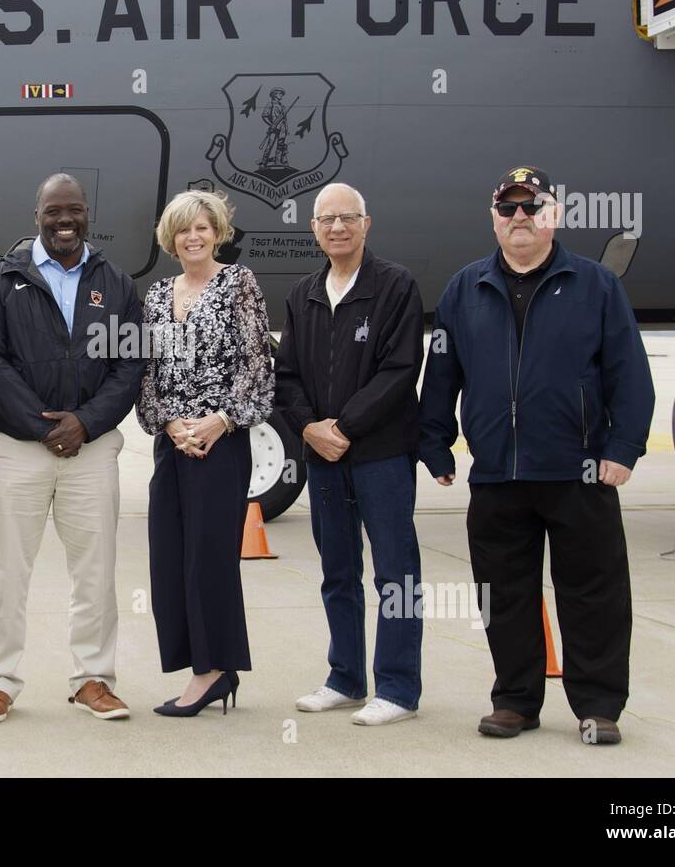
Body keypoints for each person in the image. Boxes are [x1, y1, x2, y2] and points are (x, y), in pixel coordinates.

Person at [419, 166, 654, 745]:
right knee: (502, 594)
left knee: (592, 591)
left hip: (580, 469)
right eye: (508, 209)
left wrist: (622, 448)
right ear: (493, 218)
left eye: (532, 207)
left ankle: (598, 706)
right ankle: (516, 700)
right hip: (498, 472)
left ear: (554, 215)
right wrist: (435, 442)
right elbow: (442, 372)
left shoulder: (596, 285)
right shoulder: (464, 287)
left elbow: (630, 374)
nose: (519, 218)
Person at [0, 173, 145, 722]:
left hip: (90, 451)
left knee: (95, 572)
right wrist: (42, 426)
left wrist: (86, 424)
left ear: (88, 214)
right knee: (6, 573)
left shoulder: (115, 282)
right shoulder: (3, 280)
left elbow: (129, 365)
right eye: (53, 212)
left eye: (74, 211)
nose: (64, 221)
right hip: (19, 449)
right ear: (36, 216)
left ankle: (93, 679)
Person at [275, 183, 425, 726]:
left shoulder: (395, 286)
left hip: (381, 454)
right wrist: (309, 428)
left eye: (348, 218)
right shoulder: (303, 295)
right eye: (326, 219)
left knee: (395, 573)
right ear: (313, 229)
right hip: (323, 457)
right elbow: (286, 375)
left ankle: (399, 689)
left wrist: (344, 426)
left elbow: (400, 369)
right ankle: (345, 678)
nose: (337, 227)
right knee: (337, 571)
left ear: (366, 224)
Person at [137, 189, 273, 717]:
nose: (193, 237)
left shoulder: (238, 282)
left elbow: (256, 364)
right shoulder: (154, 295)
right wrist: (170, 424)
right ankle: (196, 664)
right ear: (170, 238)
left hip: (221, 442)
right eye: (183, 229)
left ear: (217, 232)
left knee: (208, 559)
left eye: (203, 227)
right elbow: (145, 372)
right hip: (172, 445)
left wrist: (219, 422)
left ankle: (214, 670)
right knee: (169, 556)